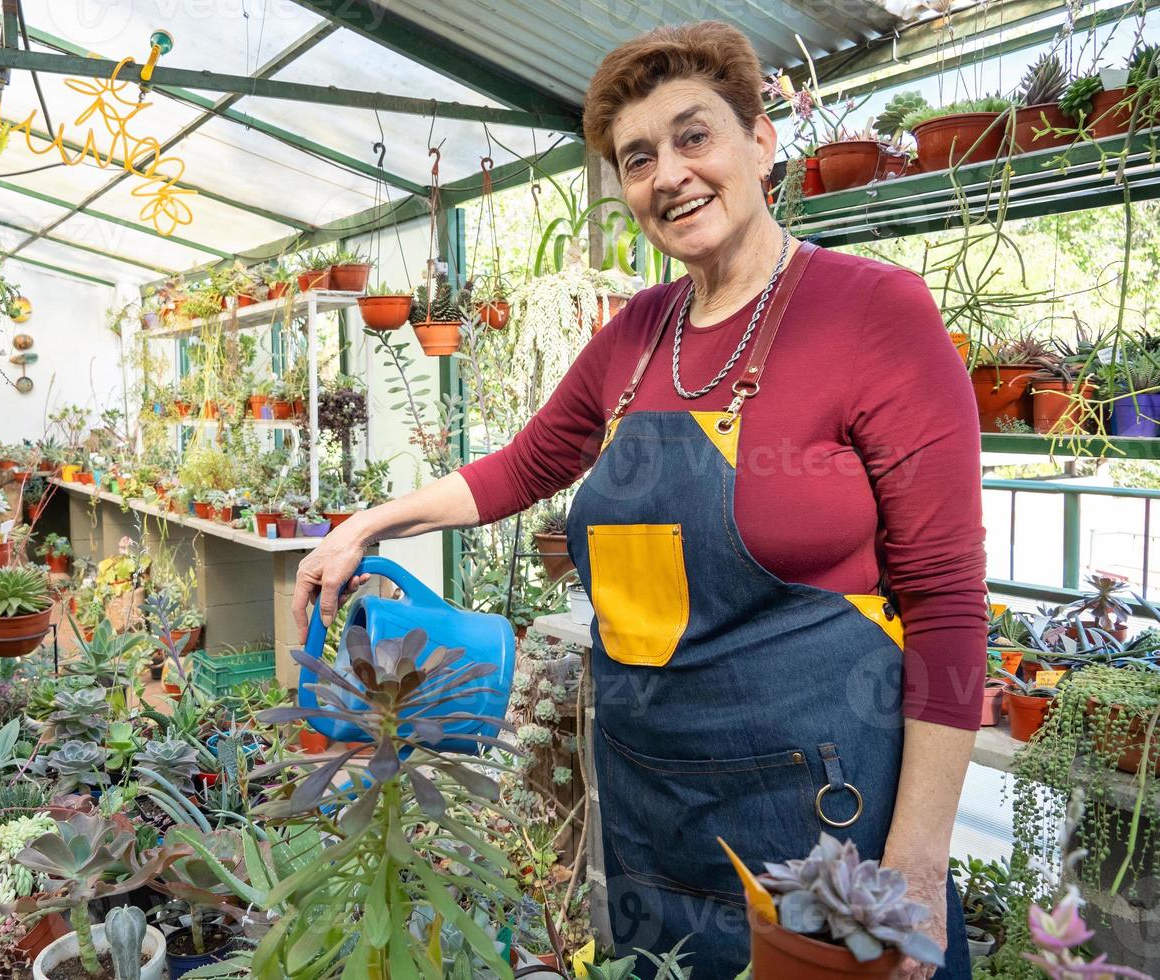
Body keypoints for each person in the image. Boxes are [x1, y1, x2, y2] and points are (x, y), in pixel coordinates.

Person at [292, 20, 983, 979]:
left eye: (694, 137)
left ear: (760, 141)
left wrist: (915, 864)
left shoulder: (873, 313)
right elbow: (520, 468)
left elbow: (949, 604)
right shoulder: (638, 334)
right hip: (655, 802)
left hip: (825, 814)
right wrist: (365, 524)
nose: (670, 175)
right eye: (639, 157)